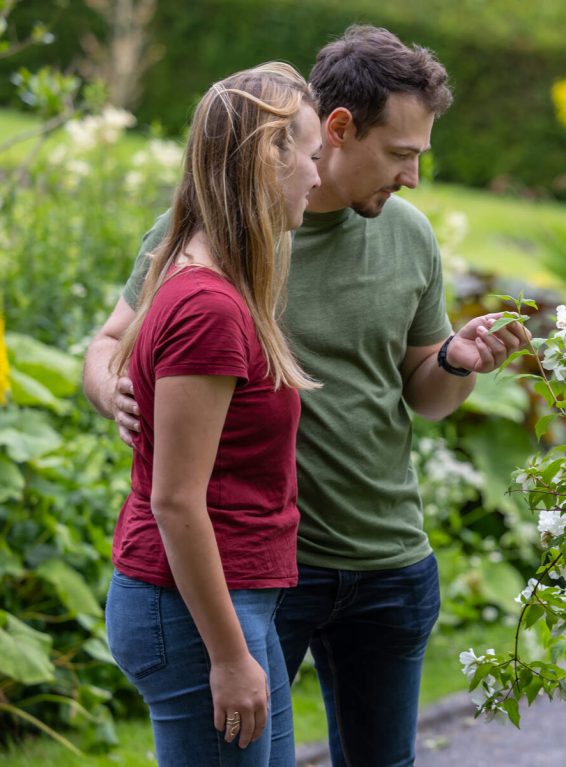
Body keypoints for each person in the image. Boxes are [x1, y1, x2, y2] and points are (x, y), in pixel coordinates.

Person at [84, 26, 531, 767]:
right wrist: (114, 390)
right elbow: (123, 358)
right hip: (258, 570)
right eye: (402, 155)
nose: (414, 177)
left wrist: (455, 360)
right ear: (337, 129)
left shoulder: (407, 238)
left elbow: (427, 396)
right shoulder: (214, 252)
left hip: (381, 557)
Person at [101, 62, 322, 766]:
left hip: (223, 601)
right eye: (310, 156)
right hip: (193, 611)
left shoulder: (218, 283)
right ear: (269, 160)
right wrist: (229, 657)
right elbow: (175, 500)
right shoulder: (208, 307)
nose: (318, 177)